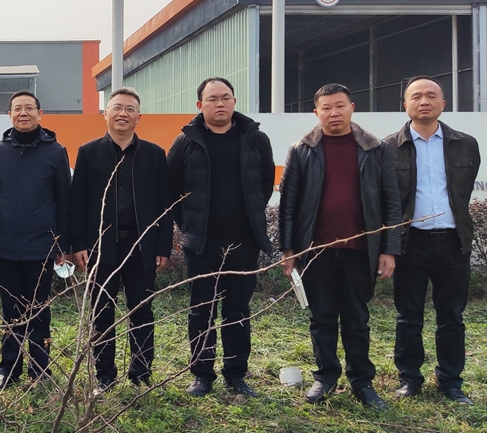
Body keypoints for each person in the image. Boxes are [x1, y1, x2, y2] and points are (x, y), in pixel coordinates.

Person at [279, 83, 401, 410]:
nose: (334, 113)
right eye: (327, 108)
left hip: (361, 251)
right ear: (316, 112)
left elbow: (391, 202)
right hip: (315, 251)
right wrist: (288, 250)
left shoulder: (376, 149)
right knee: (321, 317)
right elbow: (288, 204)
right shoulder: (301, 150)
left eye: (340, 106)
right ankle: (325, 378)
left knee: (357, 319)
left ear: (352, 108)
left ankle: (362, 383)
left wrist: (389, 249)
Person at [167, 78, 274, 399]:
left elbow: (264, 185)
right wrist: (189, 226)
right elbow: (173, 189)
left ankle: (236, 374)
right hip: (202, 243)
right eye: (212, 99)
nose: (220, 104)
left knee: (237, 311)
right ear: (200, 105)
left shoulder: (255, 139)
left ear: (234, 102)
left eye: (226, 98)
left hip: (244, 241)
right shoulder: (186, 141)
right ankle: (202, 375)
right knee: (201, 310)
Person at [70, 88, 172, 394]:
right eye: (117, 107)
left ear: (139, 117)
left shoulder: (154, 154)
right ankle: (105, 376)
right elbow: (78, 203)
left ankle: (141, 373)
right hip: (101, 248)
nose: (123, 114)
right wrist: (78, 244)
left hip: (141, 247)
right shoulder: (89, 152)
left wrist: (162, 246)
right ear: (106, 114)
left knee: (142, 311)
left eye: (130, 109)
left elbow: (164, 205)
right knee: (102, 312)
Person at [386, 76, 481, 405]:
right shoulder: (389, 147)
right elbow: (388, 199)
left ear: (443, 103)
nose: (424, 101)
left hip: (453, 241)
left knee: (452, 316)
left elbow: (464, 190)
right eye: (416, 96)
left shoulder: (466, 144)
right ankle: (409, 379)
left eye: (431, 96)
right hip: (410, 242)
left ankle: (451, 381)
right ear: (406, 105)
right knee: (408, 315)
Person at [0, 90, 71, 392]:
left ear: (40, 113)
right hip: (5, 246)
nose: (23, 113)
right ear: (9, 115)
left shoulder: (56, 151)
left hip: (41, 246)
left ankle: (40, 368)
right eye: (17, 109)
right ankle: (8, 369)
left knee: (39, 311)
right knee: (10, 311)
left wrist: (62, 244)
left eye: (29, 108)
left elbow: (64, 199)